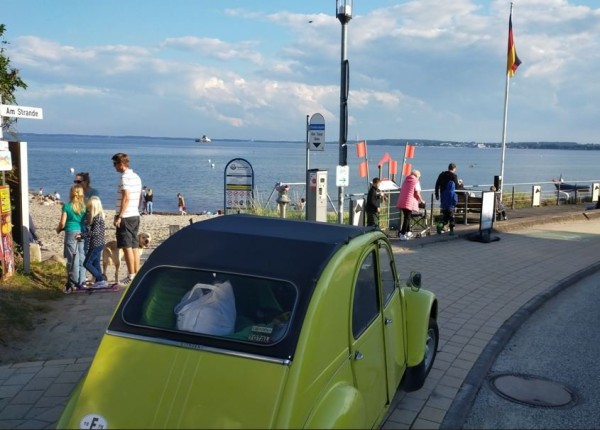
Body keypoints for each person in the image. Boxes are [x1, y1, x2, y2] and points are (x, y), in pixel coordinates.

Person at [112, 152, 143, 286]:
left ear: (121, 163)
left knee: (127, 246)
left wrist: (120, 216)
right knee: (134, 245)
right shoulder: (136, 176)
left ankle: (131, 274)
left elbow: (126, 197)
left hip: (126, 215)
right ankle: (135, 273)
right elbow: (140, 197)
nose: (114, 167)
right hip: (135, 214)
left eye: (115, 164)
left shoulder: (125, 178)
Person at [56, 184, 87, 292]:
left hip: (70, 232)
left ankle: (73, 282)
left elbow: (62, 222)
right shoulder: (84, 206)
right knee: (81, 255)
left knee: (72, 257)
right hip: (81, 232)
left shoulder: (67, 206)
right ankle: (82, 280)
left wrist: (58, 229)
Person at [78, 196, 108, 288]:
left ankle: (101, 279)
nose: (89, 210)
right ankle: (100, 281)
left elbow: (95, 232)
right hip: (99, 243)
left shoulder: (97, 217)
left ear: (94, 208)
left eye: (90, 208)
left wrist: (82, 235)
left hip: (96, 244)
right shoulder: (99, 216)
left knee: (87, 263)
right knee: (96, 262)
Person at [396, 170, 425, 241]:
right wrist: (422, 201)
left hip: (402, 200)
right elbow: (417, 193)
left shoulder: (406, 180)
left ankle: (408, 231)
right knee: (407, 218)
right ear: (417, 176)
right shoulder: (416, 182)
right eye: (419, 177)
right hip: (408, 201)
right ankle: (402, 234)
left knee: (406, 216)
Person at [435, 163, 460, 235]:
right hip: (451, 199)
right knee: (452, 217)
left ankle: (440, 225)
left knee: (445, 215)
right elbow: (457, 188)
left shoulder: (442, 174)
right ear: (454, 169)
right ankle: (451, 231)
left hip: (443, 197)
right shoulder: (454, 176)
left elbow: (437, 185)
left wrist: (437, 194)